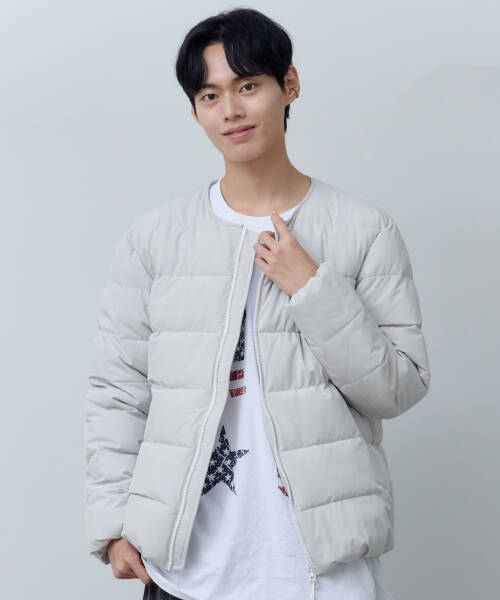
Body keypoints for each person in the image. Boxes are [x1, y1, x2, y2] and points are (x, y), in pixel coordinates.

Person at [84, 8, 431, 600]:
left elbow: (397, 389)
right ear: (195, 111)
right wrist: (114, 524)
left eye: (248, 86)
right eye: (210, 95)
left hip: (321, 574)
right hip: (185, 574)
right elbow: (118, 391)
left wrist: (314, 290)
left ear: (288, 85)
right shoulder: (155, 240)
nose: (231, 110)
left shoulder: (364, 230)